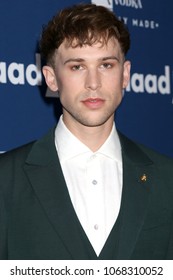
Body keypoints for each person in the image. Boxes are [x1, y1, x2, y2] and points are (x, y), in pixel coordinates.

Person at [0, 3, 173, 260]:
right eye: (77, 67)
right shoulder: (5, 179)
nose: (93, 83)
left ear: (125, 74)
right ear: (51, 78)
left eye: (106, 65)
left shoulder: (166, 178)